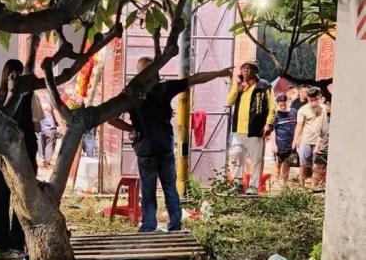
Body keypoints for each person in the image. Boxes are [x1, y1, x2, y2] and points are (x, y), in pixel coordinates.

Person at [110, 58, 232, 232]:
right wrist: (219, 73)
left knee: (148, 190)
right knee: (170, 188)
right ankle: (175, 225)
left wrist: (132, 129)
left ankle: (149, 226)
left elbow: (110, 118)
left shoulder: (131, 95)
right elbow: (195, 79)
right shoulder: (164, 89)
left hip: (145, 148)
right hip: (164, 146)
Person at [0, 59, 44, 256]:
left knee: (2, 196)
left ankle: (0, 243)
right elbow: (37, 125)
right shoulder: (29, 96)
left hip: (4, 154)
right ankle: (16, 243)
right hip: (24, 151)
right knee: (22, 197)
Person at [227, 59, 276, 195]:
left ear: (255, 71)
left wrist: (268, 123)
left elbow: (272, 106)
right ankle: (238, 184)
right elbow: (229, 101)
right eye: (243, 68)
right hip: (238, 129)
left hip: (255, 129)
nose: (245, 70)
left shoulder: (264, 85)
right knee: (236, 155)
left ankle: (253, 186)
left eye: (249, 68)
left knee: (256, 160)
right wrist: (237, 86)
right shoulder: (240, 86)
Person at [292, 87, 325, 186]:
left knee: (318, 165)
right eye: (311, 100)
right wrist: (295, 140)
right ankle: (301, 185)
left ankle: (314, 186)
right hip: (306, 140)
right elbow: (299, 125)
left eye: (316, 99)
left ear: (320, 97)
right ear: (307, 98)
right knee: (303, 164)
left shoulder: (325, 109)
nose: (314, 102)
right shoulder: (303, 110)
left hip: (320, 141)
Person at [271, 93, 297, 185]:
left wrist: (296, 140)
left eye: (284, 104)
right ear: (277, 104)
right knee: (278, 163)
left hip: (291, 143)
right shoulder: (276, 115)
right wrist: (274, 145)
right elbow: (273, 131)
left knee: (287, 163)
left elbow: (298, 126)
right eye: (280, 105)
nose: (283, 107)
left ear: (288, 102)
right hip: (280, 143)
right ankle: (274, 184)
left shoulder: (294, 112)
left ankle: (284, 185)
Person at [312, 100, 330, 190]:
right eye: (327, 105)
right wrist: (316, 147)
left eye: (329, 105)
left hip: (331, 150)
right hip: (322, 148)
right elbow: (320, 134)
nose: (327, 107)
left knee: (328, 171)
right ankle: (314, 187)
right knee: (317, 168)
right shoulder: (324, 117)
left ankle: (324, 188)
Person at [38, 101, 59, 167]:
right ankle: (46, 162)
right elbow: (55, 117)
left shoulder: (37, 108)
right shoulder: (49, 107)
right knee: (49, 145)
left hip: (41, 129)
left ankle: (43, 160)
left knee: (42, 145)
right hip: (50, 128)